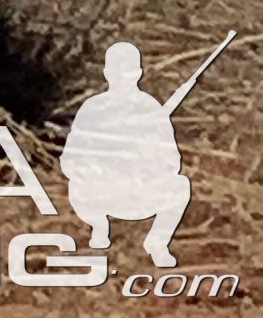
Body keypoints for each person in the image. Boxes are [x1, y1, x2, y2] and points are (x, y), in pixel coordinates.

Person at [62, 43, 194, 268]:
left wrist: (147, 166)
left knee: (180, 186)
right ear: (107, 73)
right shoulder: (93, 108)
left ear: (139, 73)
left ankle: (157, 242)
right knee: (76, 185)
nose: (123, 77)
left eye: (128, 71)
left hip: (139, 193)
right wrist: (92, 169)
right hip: (102, 193)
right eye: (117, 71)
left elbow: (172, 161)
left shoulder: (151, 109)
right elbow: (70, 159)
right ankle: (99, 226)